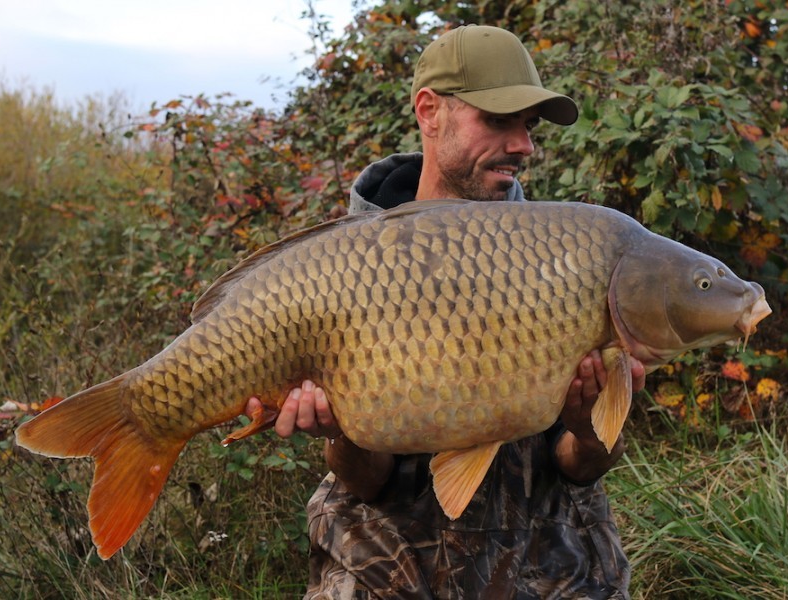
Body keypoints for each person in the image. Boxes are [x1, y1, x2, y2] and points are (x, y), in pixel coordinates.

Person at [246, 24, 646, 599]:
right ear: (430, 112)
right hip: (389, 572)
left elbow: (580, 465)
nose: (524, 145)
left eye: (528, 127)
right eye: (499, 120)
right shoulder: (340, 265)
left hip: (550, 571)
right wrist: (341, 431)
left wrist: (589, 429)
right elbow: (365, 479)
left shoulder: (566, 256)